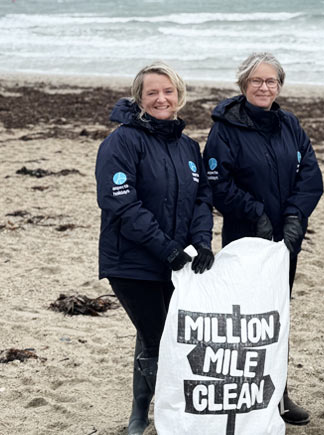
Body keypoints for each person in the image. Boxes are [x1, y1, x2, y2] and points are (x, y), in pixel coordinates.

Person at [202, 52, 323, 426]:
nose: (264, 87)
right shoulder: (225, 127)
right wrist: (255, 215)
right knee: (245, 318)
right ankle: (245, 391)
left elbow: (311, 176)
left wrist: (292, 218)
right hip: (244, 240)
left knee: (277, 315)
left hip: (286, 241)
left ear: (279, 86)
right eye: (257, 81)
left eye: (271, 81)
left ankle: (280, 394)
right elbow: (218, 183)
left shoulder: (289, 124)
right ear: (243, 85)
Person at [95, 62, 215, 435]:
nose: (161, 98)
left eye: (168, 91)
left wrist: (202, 241)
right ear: (140, 99)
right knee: (156, 334)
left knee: (157, 334)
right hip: (131, 262)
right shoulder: (121, 141)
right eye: (152, 93)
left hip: (175, 263)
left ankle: (140, 407)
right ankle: (147, 415)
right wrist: (167, 249)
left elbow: (201, 199)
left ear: (179, 96)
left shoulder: (188, 146)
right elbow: (122, 205)